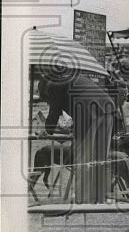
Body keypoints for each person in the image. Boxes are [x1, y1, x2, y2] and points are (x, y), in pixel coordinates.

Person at [43, 69, 117, 204]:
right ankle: (101, 197)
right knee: (101, 157)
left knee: (83, 157)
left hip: (88, 113)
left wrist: (47, 131)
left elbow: (55, 111)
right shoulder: (73, 79)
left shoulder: (54, 85)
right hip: (107, 109)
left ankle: (83, 199)